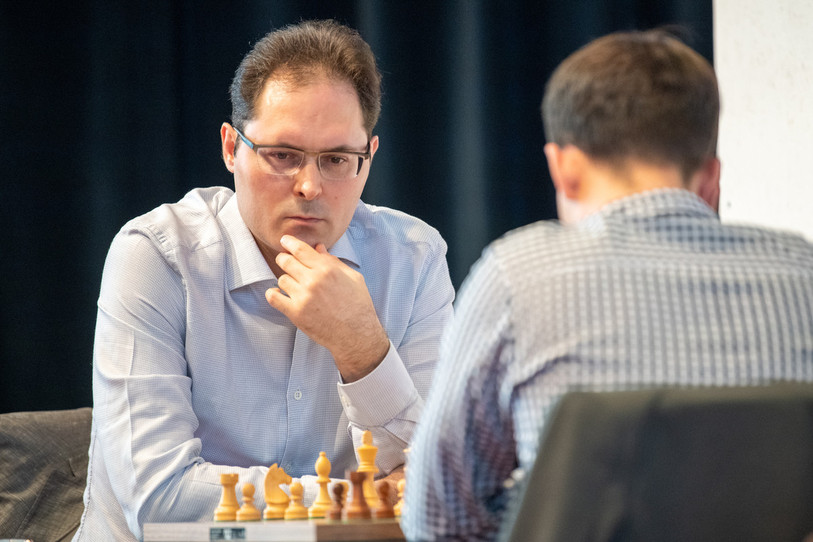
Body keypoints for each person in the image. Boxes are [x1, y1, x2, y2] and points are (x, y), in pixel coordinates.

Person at [402, 29, 813, 541]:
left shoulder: (518, 275)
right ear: (712, 179)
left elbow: (436, 519)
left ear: (564, 168)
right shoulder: (803, 273)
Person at [74, 19, 454, 541]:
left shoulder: (416, 259)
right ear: (232, 148)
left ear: (368, 159)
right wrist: (358, 501)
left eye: (337, 159)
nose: (309, 185)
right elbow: (160, 504)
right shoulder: (156, 257)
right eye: (282, 155)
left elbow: (438, 484)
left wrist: (363, 350)